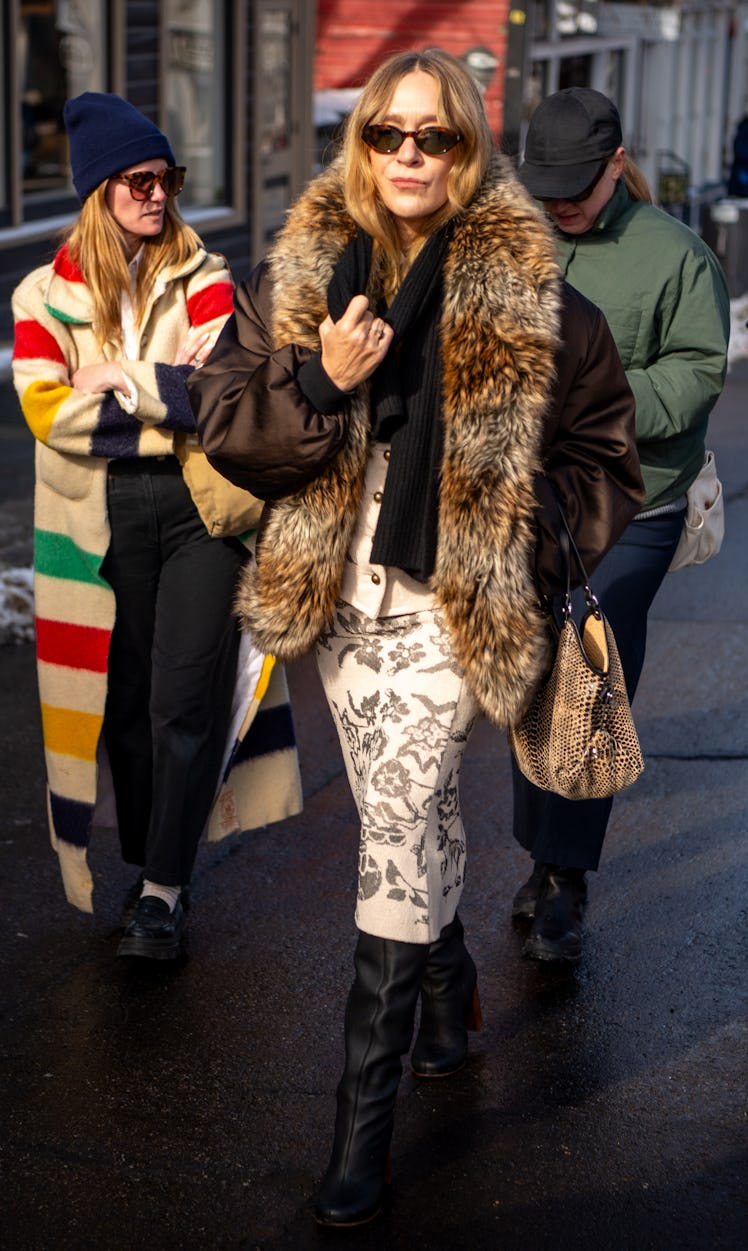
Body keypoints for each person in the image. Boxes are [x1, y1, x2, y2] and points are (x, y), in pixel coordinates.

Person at [187, 49, 643, 1226]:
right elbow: (234, 433)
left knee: (391, 820)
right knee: (417, 806)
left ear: (465, 151)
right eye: (387, 133)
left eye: (432, 138)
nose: (407, 157)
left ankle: (361, 1125)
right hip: (336, 604)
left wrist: (517, 551)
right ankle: (446, 1005)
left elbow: (605, 455)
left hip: (447, 610)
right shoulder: (297, 278)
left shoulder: (534, 292)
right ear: (361, 143)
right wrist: (325, 381)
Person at [11, 92, 301, 961]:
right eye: (138, 179)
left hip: (199, 508)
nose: (157, 194)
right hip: (96, 519)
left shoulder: (207, 278)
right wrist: (159, 392)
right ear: (98, 189)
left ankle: (165, 889)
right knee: (123, 705)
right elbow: (44, 409)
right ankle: (146, 862)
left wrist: (118, 380)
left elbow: (217, 398)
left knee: (183, 695)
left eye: (167, 178)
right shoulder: (40, 293)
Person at [514, 87, 730, 964]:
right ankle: (542, 857)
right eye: (546, 184)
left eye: (578, 184)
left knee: (588, 664)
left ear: (616, 166)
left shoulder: (677, 256)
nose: (561, 201)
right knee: (527, 671)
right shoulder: (514, 246)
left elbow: (697, 371)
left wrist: (588, 399)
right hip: (528, 497)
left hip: (637, 500)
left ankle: (566, 877)